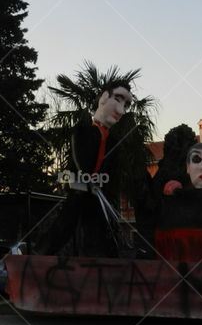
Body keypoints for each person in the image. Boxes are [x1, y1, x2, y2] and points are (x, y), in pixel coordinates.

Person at [46, 80, 148, 257]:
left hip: (96, 193)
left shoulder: (113, 142)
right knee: (67, 221)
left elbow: (109, 174)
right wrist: (85, 182)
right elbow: (79, 165)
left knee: (102, 229)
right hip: (79, 188)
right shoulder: (82, 131)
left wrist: (101, 186)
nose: (121, 111)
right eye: (118, 99)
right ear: (103, 98)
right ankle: (44, 253)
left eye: (126, 105)